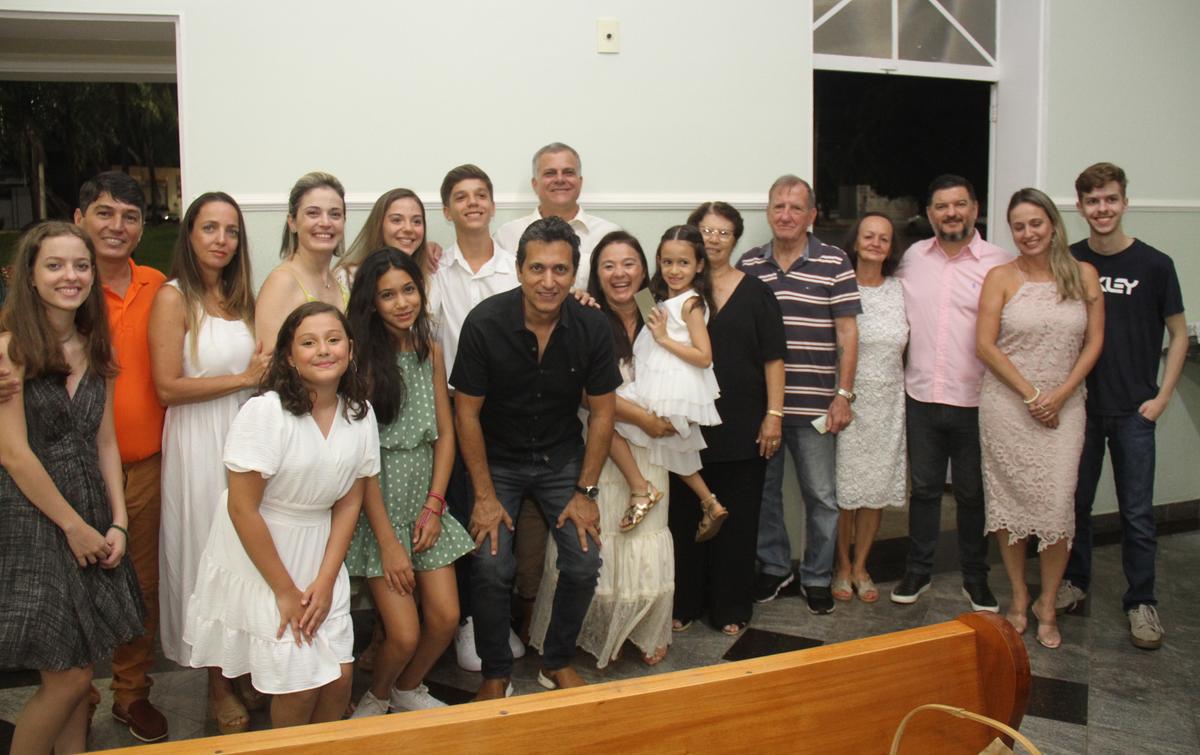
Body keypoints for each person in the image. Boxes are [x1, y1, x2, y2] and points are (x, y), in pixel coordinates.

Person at [183, 302, 379, 729]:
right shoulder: (266, 413)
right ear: (289, 356)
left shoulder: (360, 413)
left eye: (333, 339)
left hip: (320, 548)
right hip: (263, 548)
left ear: (350, 348)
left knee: (340, 680)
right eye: (308, 342)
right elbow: (242, 507)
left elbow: (349, 501)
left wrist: (326, 580)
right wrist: (286, 590)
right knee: (300, 683)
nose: (323, 350)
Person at [451, 216, 621, 699]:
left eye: (561, 270)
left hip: (561, 458)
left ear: (574, 275)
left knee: (584, 561)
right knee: (490, 566)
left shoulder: (590, 326)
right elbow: (466, 416)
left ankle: (557, 661)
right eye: (538, 268)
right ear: (520, 271)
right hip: (496, 460)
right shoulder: (484, 323)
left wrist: (586, 492)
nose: (549, 281)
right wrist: (483, 495)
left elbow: (604, 414)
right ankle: (496, 671)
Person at [0, 222, 144, 753]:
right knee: (69, 680)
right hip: (35, 520)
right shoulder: (9, 350)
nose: (71, 276)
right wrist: (74, 527)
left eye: (80, 266)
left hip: (90, 511)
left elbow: (105, 443)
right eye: (55, 265)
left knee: (79, 671)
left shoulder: (94, 347)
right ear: (30, 278)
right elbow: (14, 453)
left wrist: (118, 521)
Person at [149, 192, 267, 733]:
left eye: (231, 231)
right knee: (207, 555)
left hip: (242, 437)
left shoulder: (240, 298)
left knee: (244, 554)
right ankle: (216, 681)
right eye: (209, 229)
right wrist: (245, 379)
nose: (222, 240)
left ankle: (239, 664)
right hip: (198, 441)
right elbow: (168, 387)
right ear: (189, 235)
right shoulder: (175, 298)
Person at [529, 231, 675, 666]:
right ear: (596, 274)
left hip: (650, 450)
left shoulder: (656, 312)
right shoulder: (582, 314)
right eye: (608, 265)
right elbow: (584, 394)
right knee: (599, 540)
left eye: (629, 263)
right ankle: (592, 632)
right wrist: (644, 417)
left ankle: (645, 628)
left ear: (644, 269)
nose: (620, 274)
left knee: (646, 538)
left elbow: (680, 365)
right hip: (601, 445)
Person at [1059, 162, 1188, 651]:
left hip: (1136, 411)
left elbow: (1177, 334)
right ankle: (1076, 582)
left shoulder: (1155, 265)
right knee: (1077, 505)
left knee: (1136, 513)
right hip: (1083, 409)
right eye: (1093, 201)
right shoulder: (1070, 261)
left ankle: (1141, 601)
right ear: (1082, 207)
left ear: (1124, 202)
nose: (1102, 209)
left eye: (1110, 199)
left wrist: (1163, 395)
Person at [344, 249, 473, 716]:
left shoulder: (429, 351)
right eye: (387, 295)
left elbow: (444, 435)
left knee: (445, 618)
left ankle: (407, 687)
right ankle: (376, 696)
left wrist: (436, 505)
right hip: (378, 504)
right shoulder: (359, 361)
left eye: (408, 290)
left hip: (425, 502)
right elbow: (361, 460)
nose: (402, 302)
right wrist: (387, 541)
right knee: (402, 633)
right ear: (371, 303)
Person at [977, 188, 1104, 649]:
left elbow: (1093, 342)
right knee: (1009, 506)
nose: (1028, 233)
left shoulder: (1083, 274)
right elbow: (985, 345)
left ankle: (1048, 603)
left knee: (1056, 506)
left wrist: (1061, 394)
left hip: (1065, 407)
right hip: (1008, 405)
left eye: (1036, 223)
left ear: (1052, 224)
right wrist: (1032, 395)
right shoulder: (1000, 277)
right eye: (1018, 226)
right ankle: (1018, 594)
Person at [738, 175, 860, 616]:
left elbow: (847, 330)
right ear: (768, 213)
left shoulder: (834, 261)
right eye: (777, 206)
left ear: (811, 216)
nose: (785, 215)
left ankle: (816, 575)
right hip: (763, 409)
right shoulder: (749, 264)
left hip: (816, 407)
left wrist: (843, 394)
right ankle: (774, 567)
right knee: (764, 494)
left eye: (795, 207)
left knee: (822, 497)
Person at [76, 171, 169, 741]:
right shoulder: (59, 284)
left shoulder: (159, 285)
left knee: (140, 585)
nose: (117, 226)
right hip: (72, 470)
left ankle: (131, 694)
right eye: (105, 213)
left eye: (130, 217)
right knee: (75, 587)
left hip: (147, 465)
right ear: (80, 217)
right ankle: (75, 695)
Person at [890, 174, 1009, 613]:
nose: (951, 213)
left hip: (978, 399)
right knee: (922, 491)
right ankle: (917, 570)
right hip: (921, 396)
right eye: (942, 206)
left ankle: (976, 578)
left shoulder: (999, 263)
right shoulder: (912, 259)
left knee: (972, 493)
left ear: (975, 209)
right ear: (929, 214)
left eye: (959, 204)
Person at [426, 163, 527, 671]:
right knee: (469, 513)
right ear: (447, 211)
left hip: (512, 411)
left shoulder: (516, 267)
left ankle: (500, 615)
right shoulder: (435, 274)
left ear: (491, 205)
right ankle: (470, 620)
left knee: (506, 516)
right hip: (458, 411)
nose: (472, 203)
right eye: (461, 197)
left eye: (481, 194)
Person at [670, 202, 786, 635]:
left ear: (735, 239)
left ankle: (731, 608)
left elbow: (775, 360)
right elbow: (627, 309)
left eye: (723, 232)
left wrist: (773, 416)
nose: (714, 239)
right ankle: (684, 604)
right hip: (683, 430)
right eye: (706, 231)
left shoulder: (757, 293)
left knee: (737, 521)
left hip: (743, 427)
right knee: (684, 520)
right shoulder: (672, 288)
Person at [615, 225, 726, 541]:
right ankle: (710, 501)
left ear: (699, 265)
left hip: (671, 388)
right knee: (677, 448)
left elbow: (704, 356)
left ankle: (641, 488)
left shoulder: (692, 303)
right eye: (667, 263)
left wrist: (663, 338)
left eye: (683, 263)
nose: (674, 270)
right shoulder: (659, 299)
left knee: (606, 414)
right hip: (657, 380)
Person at [832, 213, 908, 604]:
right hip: (848, 399)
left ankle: (862, 565)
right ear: (855, 242)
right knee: (846, 489)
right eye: (868, 236)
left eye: (884, 238)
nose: (876, 243)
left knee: (875, 489)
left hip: (889, 400)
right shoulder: (840, 285)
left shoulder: (900, 290)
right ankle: (841, 565)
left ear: (891, 247)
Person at [494, 142, 620, 290]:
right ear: (535, 184)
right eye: (550, 173)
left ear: (580, 183)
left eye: (568, 172)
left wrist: (647, 310)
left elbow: (640, 291)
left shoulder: (610, 234)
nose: (560, 179)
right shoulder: (506, 236)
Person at [256, 172, 350, 354]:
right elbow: (270, 366)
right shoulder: (282, 282)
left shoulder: (339, 282)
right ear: (292, 222)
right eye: (313, 213)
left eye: (335, 214)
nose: (325, 222)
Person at [334, 188, 441, 287]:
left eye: (416, 221)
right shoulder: (348, 277)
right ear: (379, 225)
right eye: (397, 220)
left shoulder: (430, 278)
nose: (409, 228)